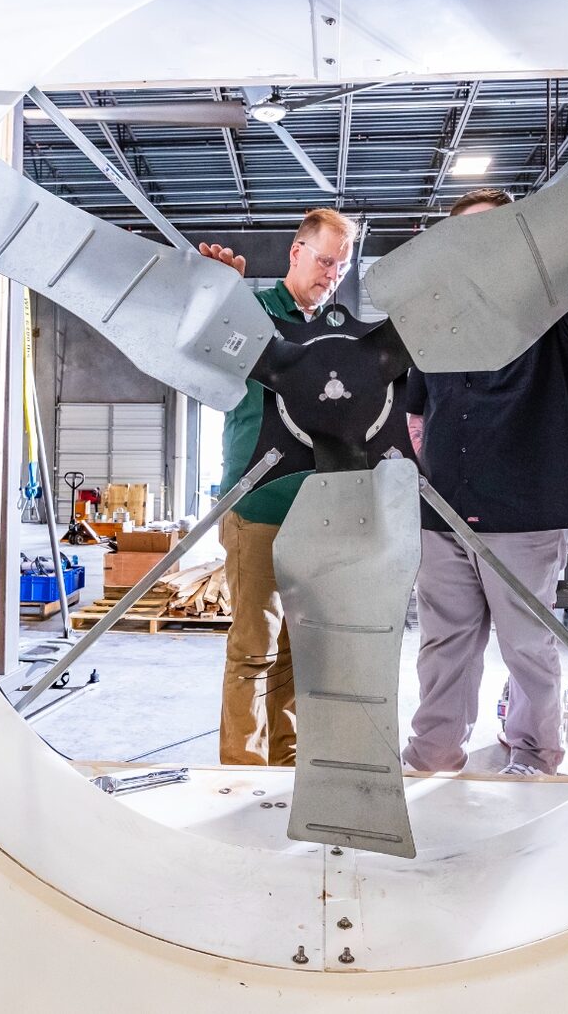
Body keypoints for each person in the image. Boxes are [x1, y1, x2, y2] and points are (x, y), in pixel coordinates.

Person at [401, 103, 568, 777]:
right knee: (443, 649)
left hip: (525, 514)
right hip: (442, 514)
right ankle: (432, 755)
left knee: (529, 647)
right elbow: (419, 416)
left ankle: (533, 755)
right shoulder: (433, 318)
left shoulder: (553, 300)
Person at [198, 209, 358, 766]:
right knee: (253, 649)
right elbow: (198, 345)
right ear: (296, 253)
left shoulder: (337, 328)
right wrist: (209, 293)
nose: (332, 273)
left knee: (295, 652)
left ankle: (285, 764)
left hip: (318, 515)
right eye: (324, 260)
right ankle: (243, 770)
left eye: (341, 266)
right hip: (260, 505)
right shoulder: (254, 311)